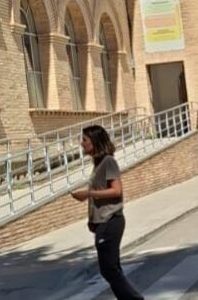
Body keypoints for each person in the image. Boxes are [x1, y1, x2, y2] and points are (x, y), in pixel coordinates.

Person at [70, 125, 143, 300]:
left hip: (111, 221)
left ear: (95, 142)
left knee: (108, 269)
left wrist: (88, 194)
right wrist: (92, 219)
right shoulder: (99, 164)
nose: (82, 143)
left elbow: (117, 190)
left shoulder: (108, 162)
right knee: (112, 268)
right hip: (104, 222)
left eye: (85, 140)